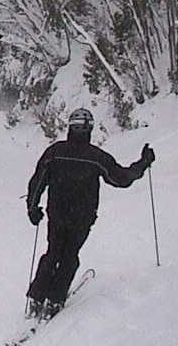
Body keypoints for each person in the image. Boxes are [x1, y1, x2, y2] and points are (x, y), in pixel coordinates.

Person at [25, 108, 155, 320]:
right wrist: (143, 163)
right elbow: (120, 178)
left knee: (53, 252)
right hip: (82, 218)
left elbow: (38, 180)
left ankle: (36, 297)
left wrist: (32, 208)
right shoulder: (96, 157)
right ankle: (55, 301)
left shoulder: (55, 152)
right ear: (89, 130)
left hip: (56, 215)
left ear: (70, 127)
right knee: (69, 256)